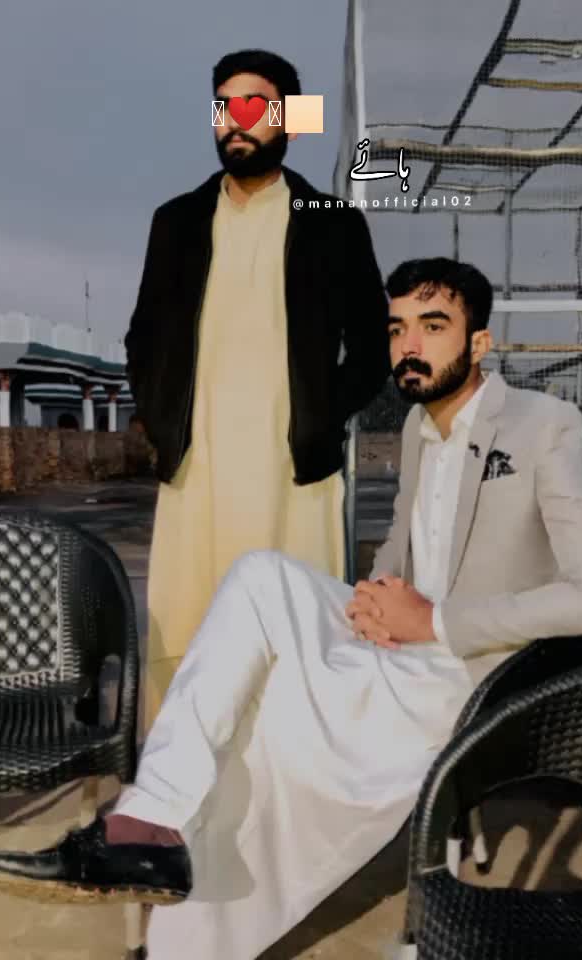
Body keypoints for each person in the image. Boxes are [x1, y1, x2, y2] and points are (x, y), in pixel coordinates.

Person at [0, 259, 582, 960]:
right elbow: (401, 547)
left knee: (273, 725)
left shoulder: (543, 426)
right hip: (408, 637)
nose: (409, 346)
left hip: (472, 668)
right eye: (397, 329)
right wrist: (375, 598)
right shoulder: (418, 428)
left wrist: (433, 622)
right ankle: (147, 824)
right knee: (259, 576)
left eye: (433, 326)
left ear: (479, 342)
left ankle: (187, 940)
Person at [124, 48, 390, 728]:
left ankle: (295, 780)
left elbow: (373, 346)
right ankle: (180, 780)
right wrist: (160, 420)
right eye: (224, 107)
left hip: (291, 481)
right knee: (185, 640)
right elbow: (141, 338)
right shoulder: (174, 222)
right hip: (195, 479)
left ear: (290, 120)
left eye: (253, 106)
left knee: (296, 641)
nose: (234, 122)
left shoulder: (333, 223)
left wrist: (321, 419)